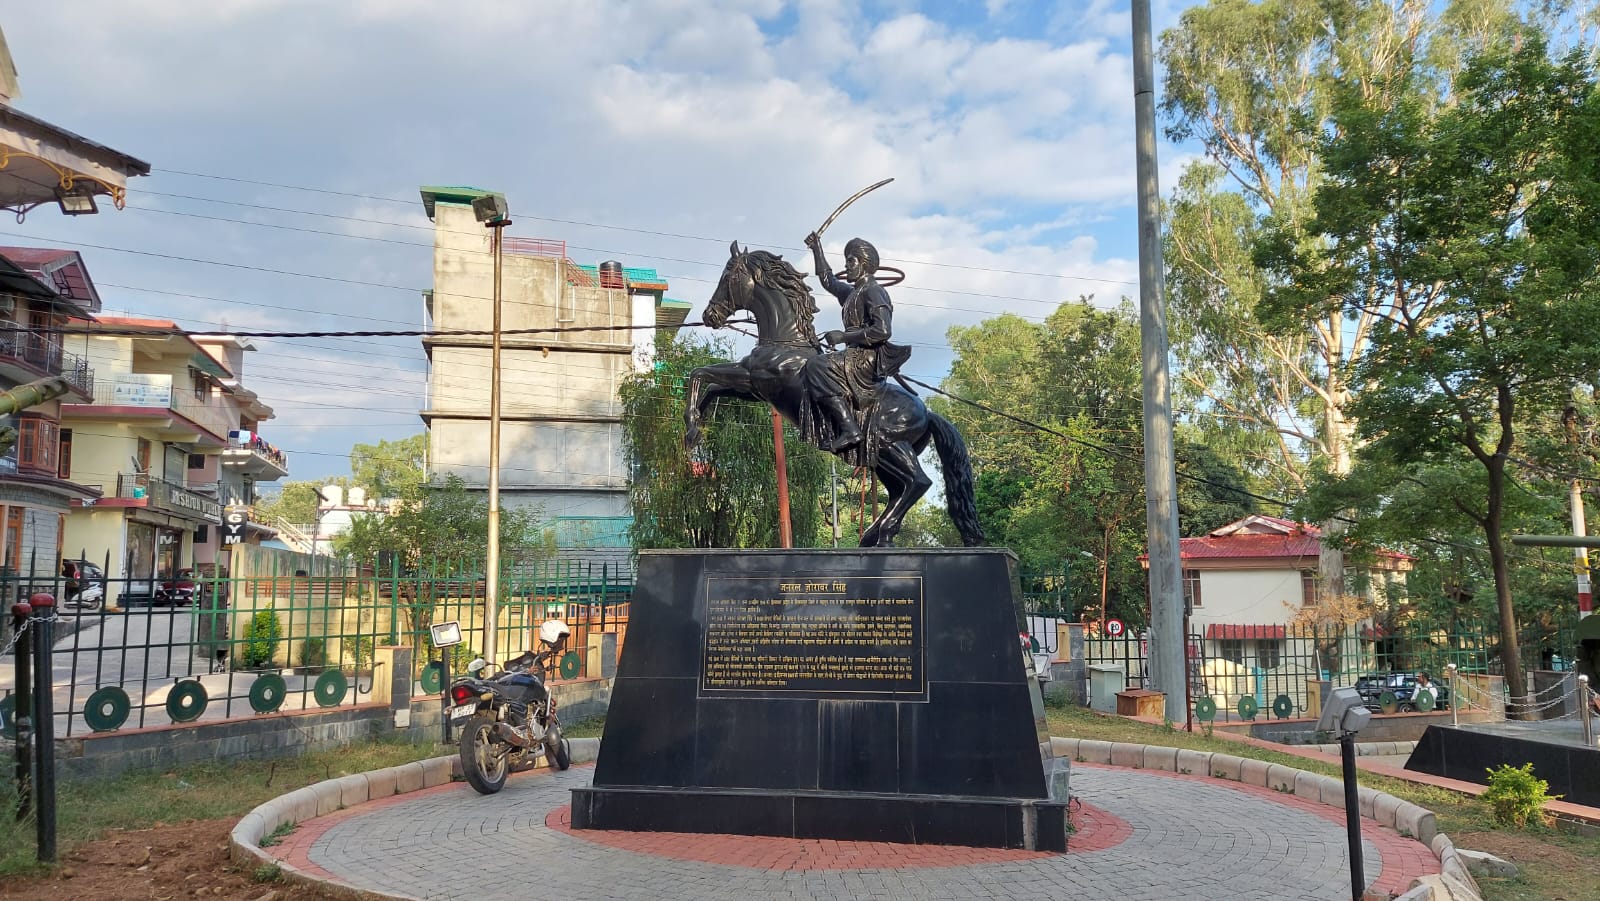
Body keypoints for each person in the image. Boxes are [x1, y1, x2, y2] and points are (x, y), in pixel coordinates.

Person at [801, 231, 911, 452]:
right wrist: (816, 249)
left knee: (816, 365)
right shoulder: (853, 292)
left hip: (865, 359)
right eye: (847, 261)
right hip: (853, 356)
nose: (847, 266)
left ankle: (850, 429)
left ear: (864, 264)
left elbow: (883, 330)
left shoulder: (874, 291)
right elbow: (828, 280)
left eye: (851, 261)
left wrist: (844, 336)